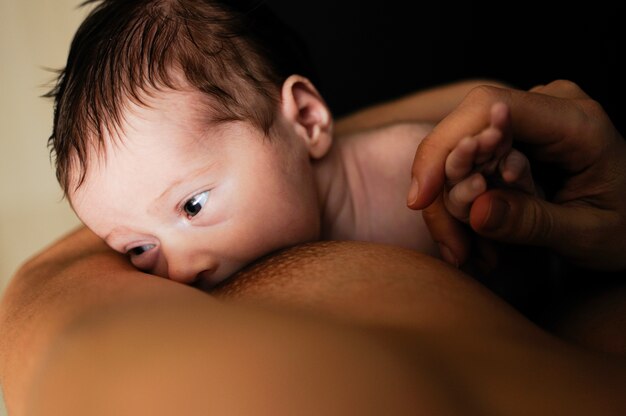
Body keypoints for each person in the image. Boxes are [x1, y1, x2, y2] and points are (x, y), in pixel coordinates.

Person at [46, 0, 516, 289]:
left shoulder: (416, 173)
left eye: (193, 205)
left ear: (307, 121)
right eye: (139, 250)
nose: (180, 271)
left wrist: (488, 189)